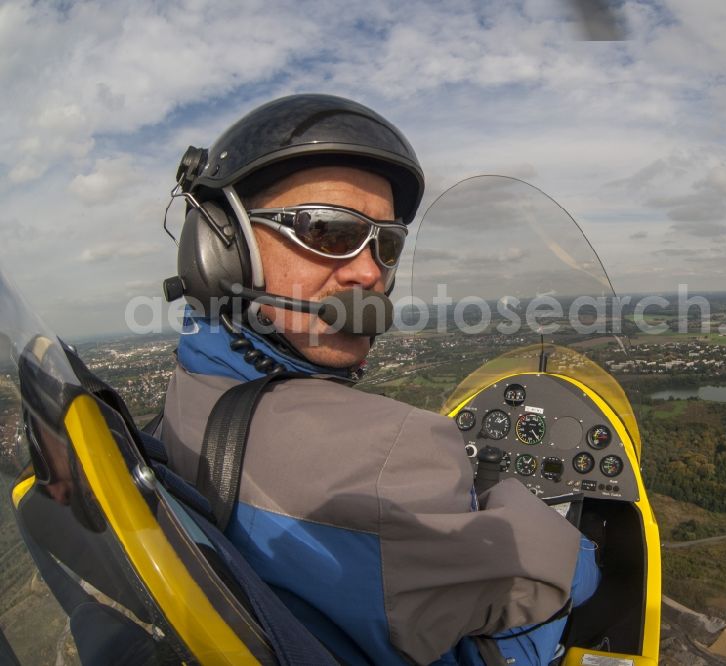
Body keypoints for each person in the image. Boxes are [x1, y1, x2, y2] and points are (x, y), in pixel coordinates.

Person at [158, 94, 599, 665]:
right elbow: (563, 569)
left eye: (385, 243)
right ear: (223, 250)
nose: (370, 270)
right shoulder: (384, 458)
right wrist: (499, 497)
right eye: (330, 231)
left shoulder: (190, 390)